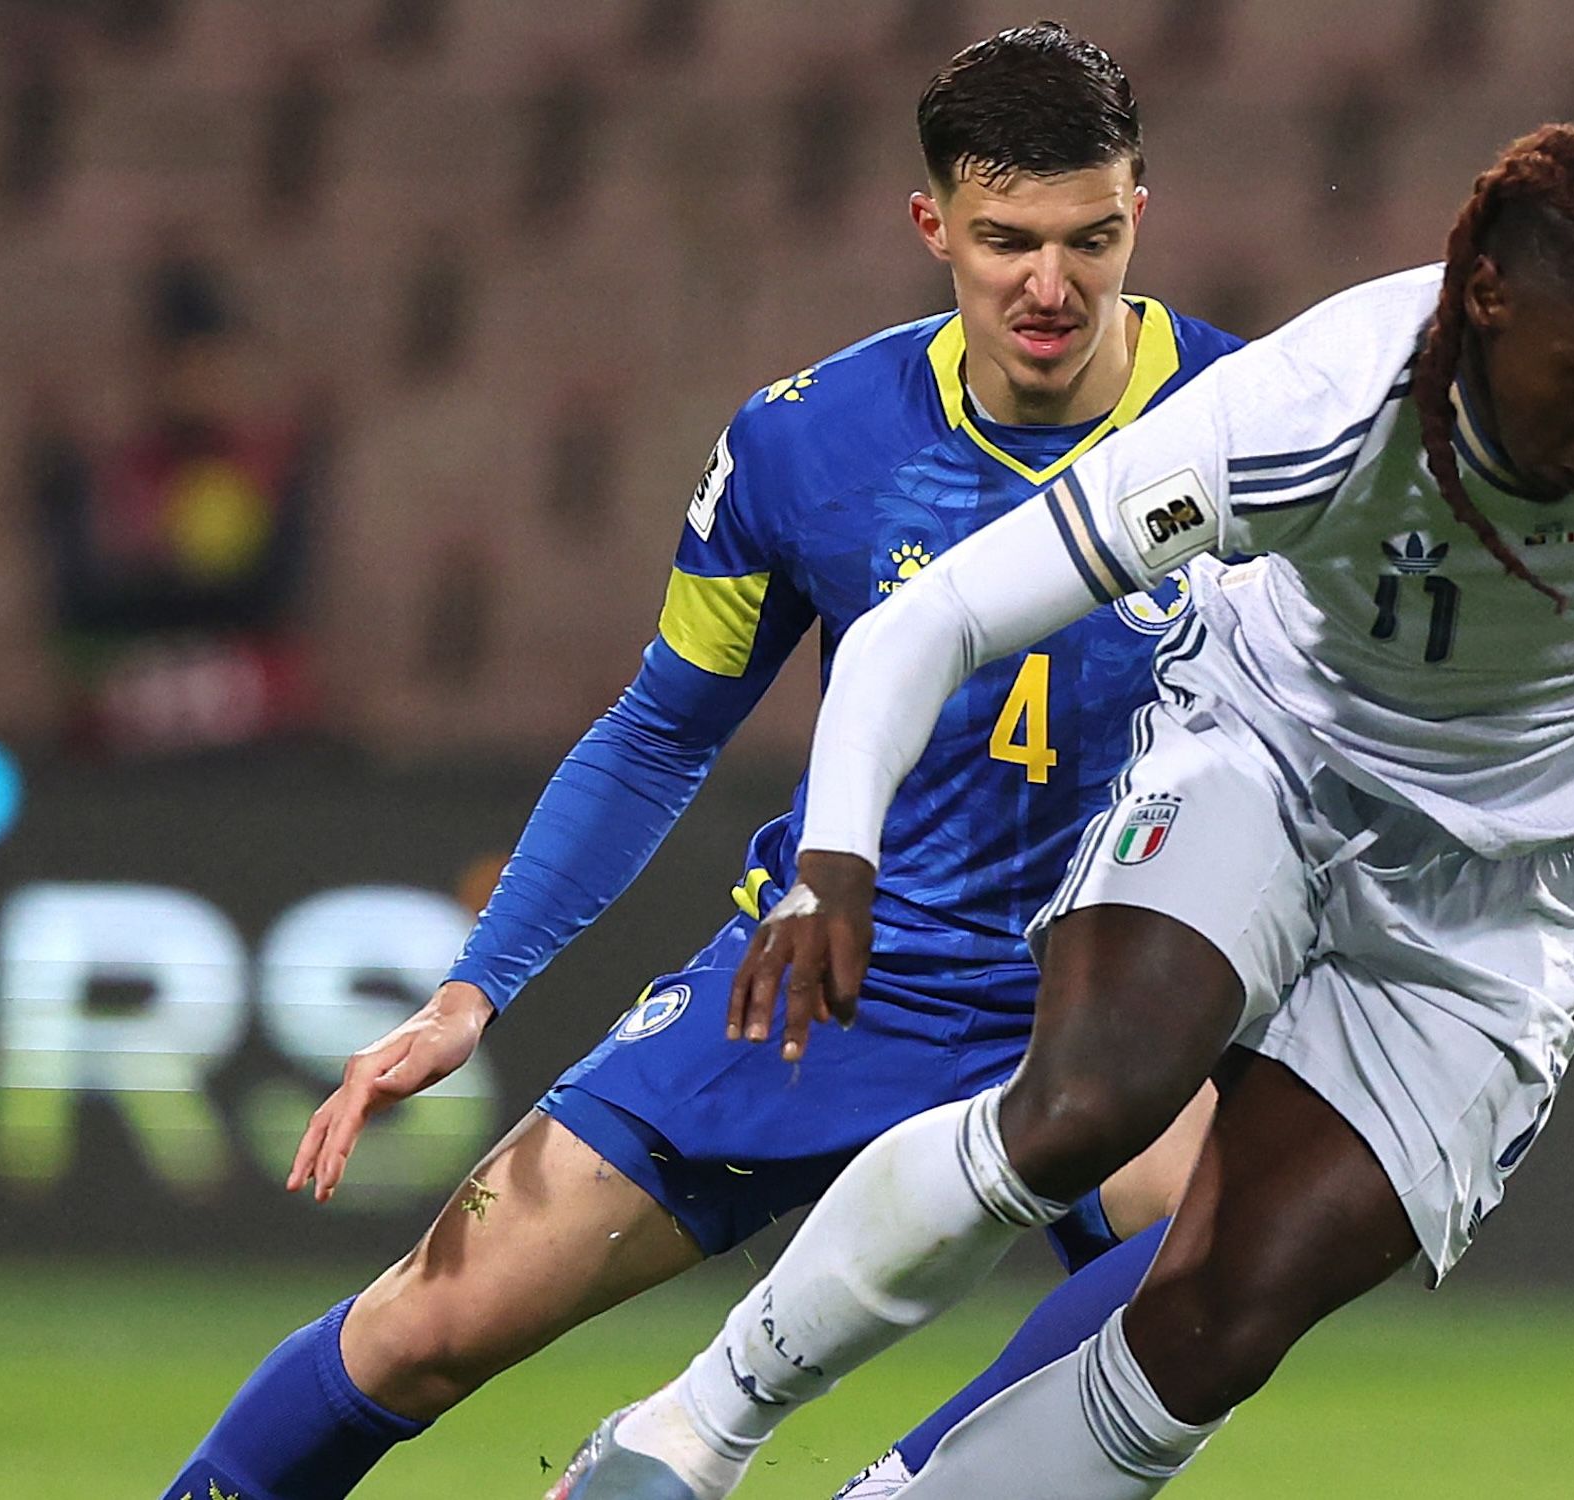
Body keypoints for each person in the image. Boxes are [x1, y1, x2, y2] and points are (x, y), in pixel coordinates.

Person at [575, 123, 1574, 1499]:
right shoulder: (1317, 408)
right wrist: (833, 859)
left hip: (1506, 907)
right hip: (1273, 766)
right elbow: (939, 617)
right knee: (1083, 1106)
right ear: (1487, 305)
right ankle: (689, 1435)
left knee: (1218, 1325)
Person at [160, 24, 1242, 1500]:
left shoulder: (1257, 428)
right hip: (832, 979)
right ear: (930, 225)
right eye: (1004, 241)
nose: (1049, 287)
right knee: (425, 1329)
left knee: (1221, 1245)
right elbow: (664, 725)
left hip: (1110, 990)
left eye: (1088, 237)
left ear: (1140, 217)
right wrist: (479, 986)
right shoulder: (810, 445)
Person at [32, 255, 325, 757]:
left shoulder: (266, 469)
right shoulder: (124, 473)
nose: (203, 378)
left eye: (216, 359)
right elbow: (85, 601)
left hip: (251, 744)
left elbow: (274, 596)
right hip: (135, 734)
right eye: (187, 360)